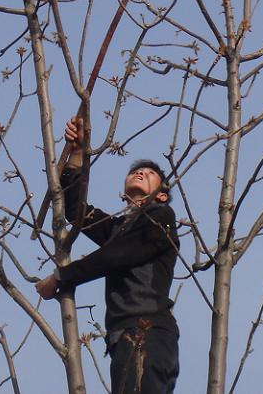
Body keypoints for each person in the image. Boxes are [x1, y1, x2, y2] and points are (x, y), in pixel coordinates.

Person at [35, 117, 180, 394]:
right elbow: (76, 211)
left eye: (150, 174)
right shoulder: (119, 228)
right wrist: (77, 154)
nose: (140, 173)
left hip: (148, 332)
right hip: (123, 336)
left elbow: (115, 256)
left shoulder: (162, 219)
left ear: (162, 195)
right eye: (136, 171)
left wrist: (60, 276)